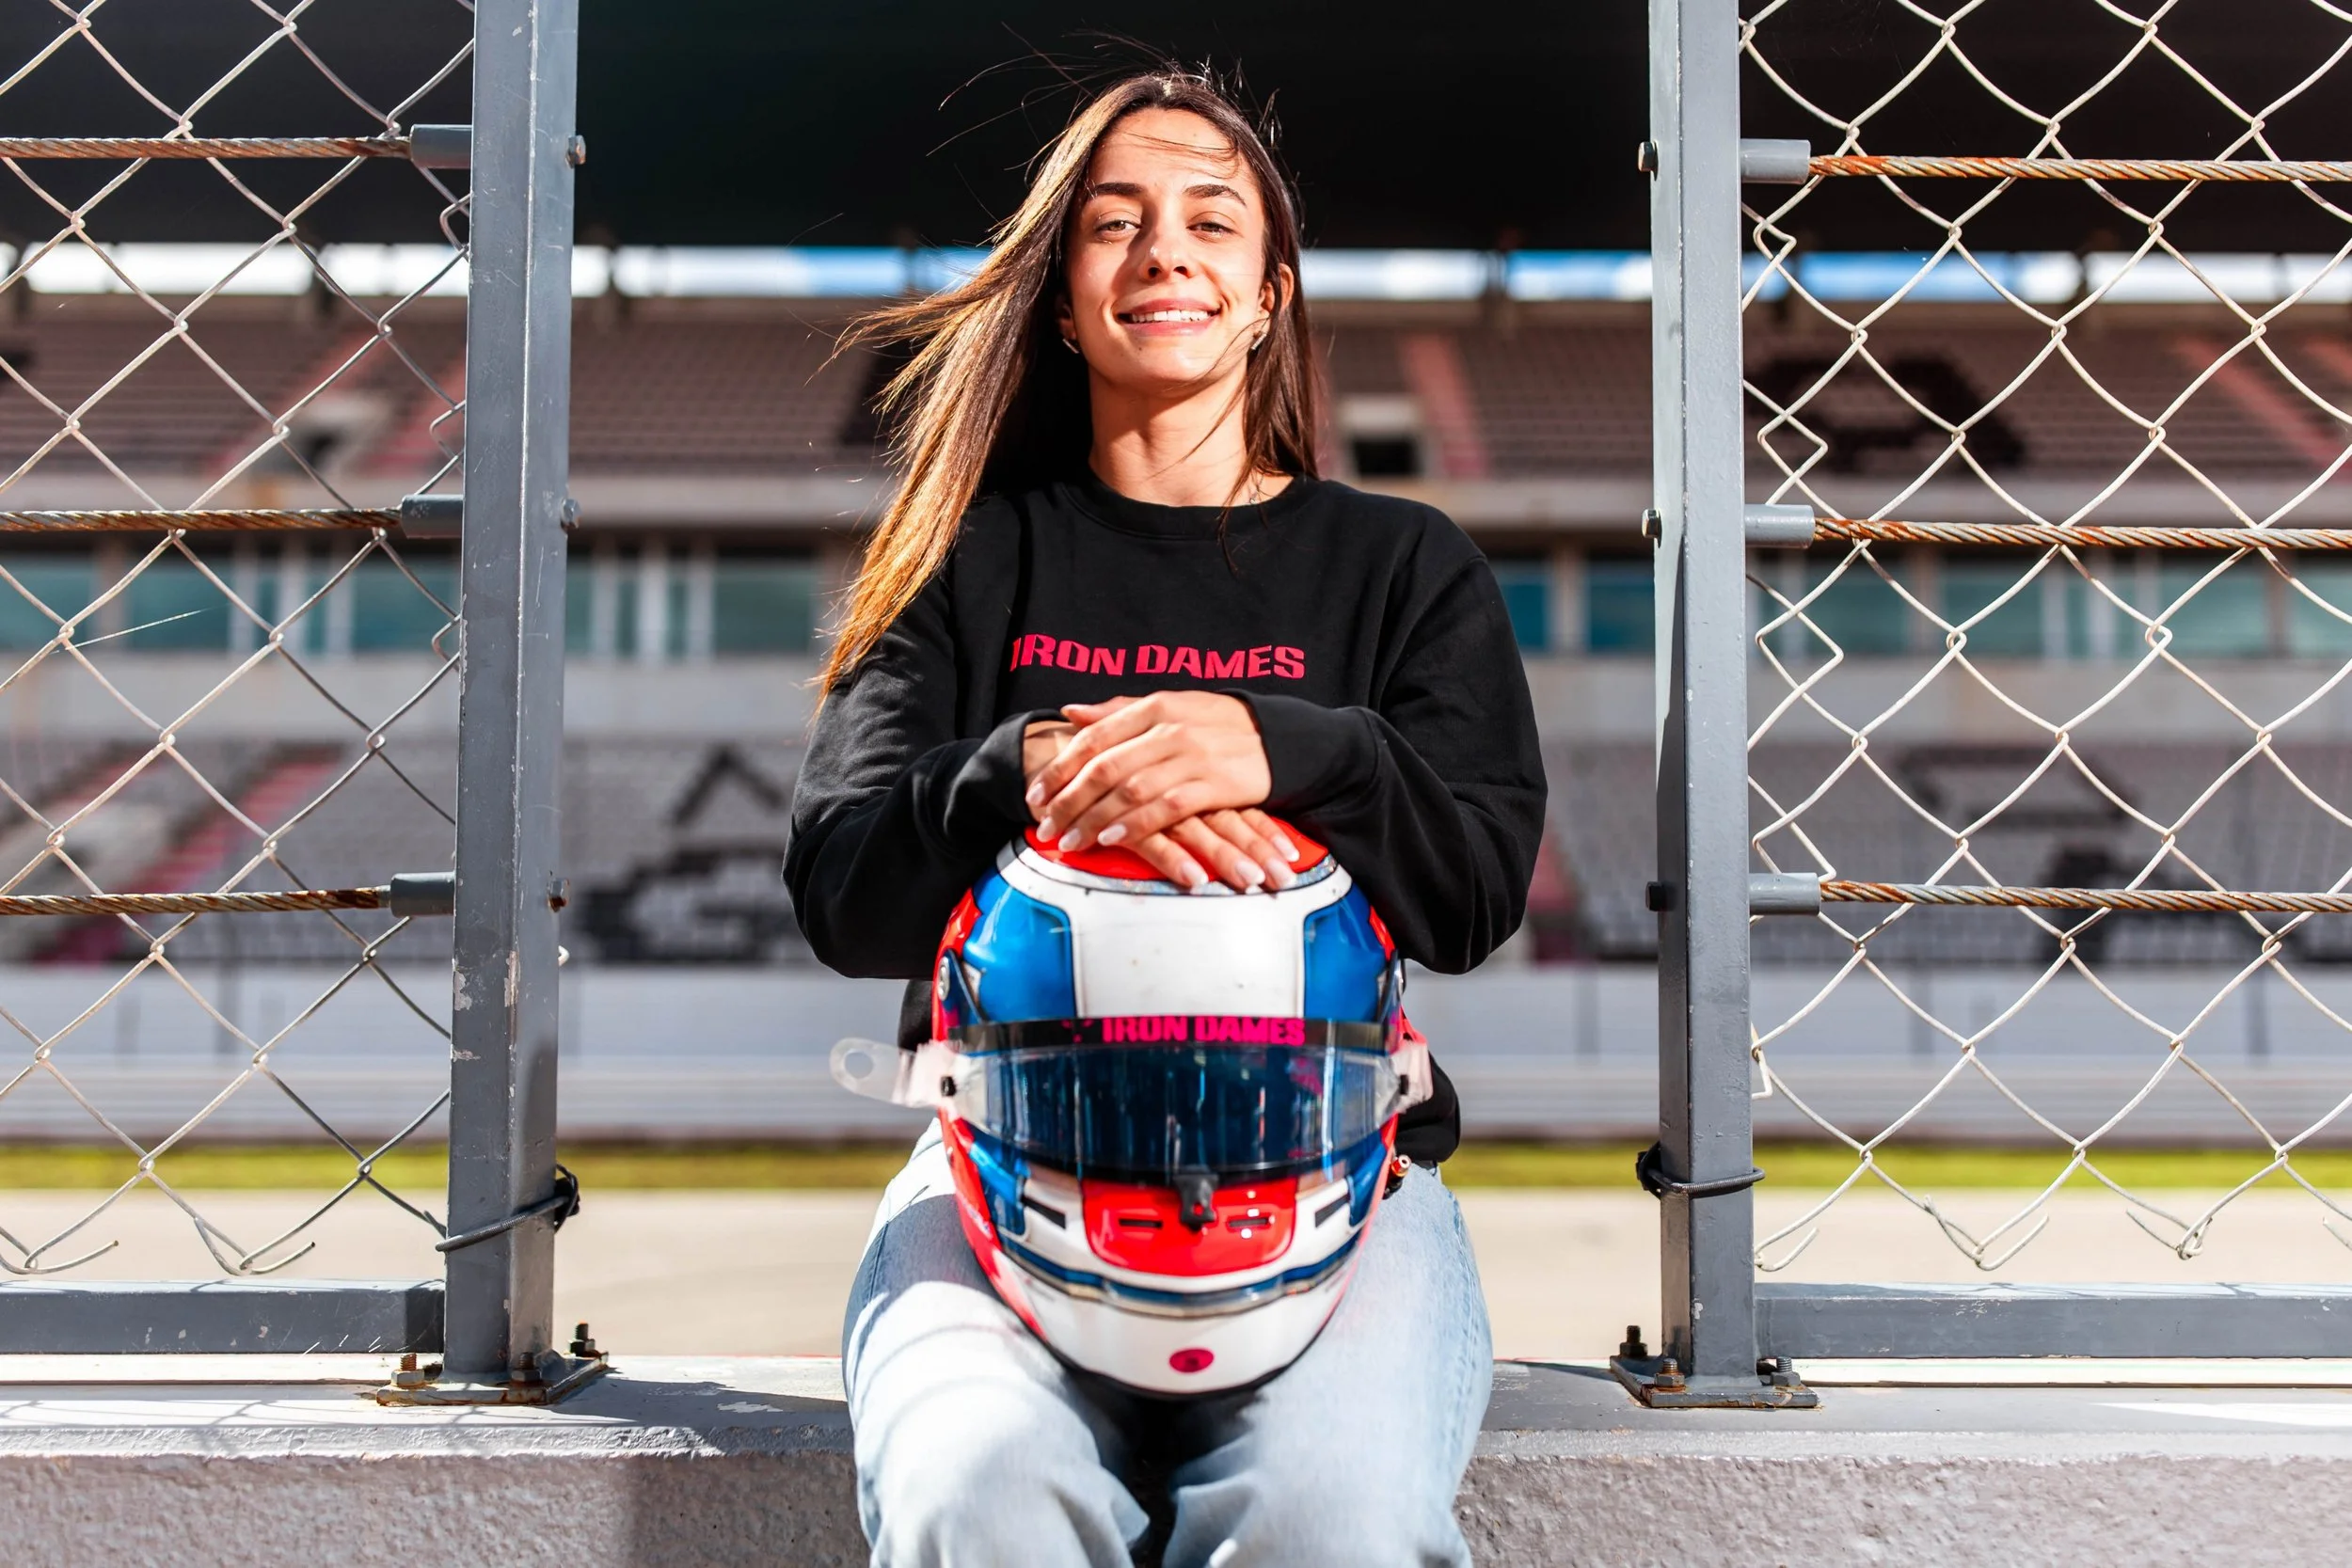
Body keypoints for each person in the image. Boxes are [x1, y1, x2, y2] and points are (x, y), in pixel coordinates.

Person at [787, 66, 1546, 1568]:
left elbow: (1471, 894)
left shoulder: (1403, 568)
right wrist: (1039, 763)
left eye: (1211, 219)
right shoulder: (956, 559)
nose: (1163, 253)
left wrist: (1283, 745)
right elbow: (843, 889)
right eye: (1114, 224)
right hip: (1001, 1158)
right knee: (975, 1486)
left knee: (1332, 1514)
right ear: (1064, 300)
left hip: (1340, 1168)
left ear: (1268, 294)